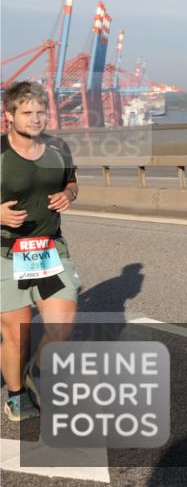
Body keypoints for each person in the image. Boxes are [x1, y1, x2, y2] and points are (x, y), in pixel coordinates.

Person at [1, 81, 80, 421]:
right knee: (16, 334)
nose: (35, 119)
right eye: (27, 112)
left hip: (50, 249)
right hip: (5, 253)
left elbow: (71, 182)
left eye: (41, 112)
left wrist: (69, 195)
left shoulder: (57, 147)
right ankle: (16, 395)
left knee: (61, 328)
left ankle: (35, 372)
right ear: (9, 116)